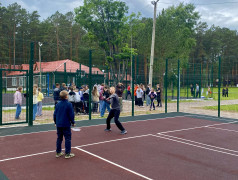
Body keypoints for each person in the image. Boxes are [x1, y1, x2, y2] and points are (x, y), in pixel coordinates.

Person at [54, 90, 75, 159]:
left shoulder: (57, 104)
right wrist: (73, 122)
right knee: (67, 138)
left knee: (59, 138)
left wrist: (55, 122)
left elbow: (55, 114)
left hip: (59, 124)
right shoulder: (69, 104)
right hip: (66, 124)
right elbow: (71, 115)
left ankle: (58, 152)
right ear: (66, 96)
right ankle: (67, 153)